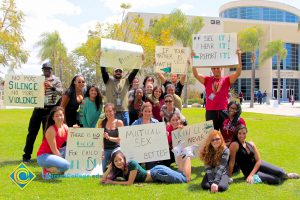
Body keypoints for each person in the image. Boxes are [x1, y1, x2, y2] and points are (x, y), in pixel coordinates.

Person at [229, 125, 299, 184]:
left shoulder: (251, 143)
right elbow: (232, 162)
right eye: (239, 133)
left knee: (281, 172)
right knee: (276, 180)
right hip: (249, 172)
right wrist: (229, 176)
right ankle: (281, 177)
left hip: (259, 165)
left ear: (246, 133)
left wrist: (251, 174)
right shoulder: (234, 145)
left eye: (244, 133)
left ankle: (287, 175)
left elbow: (259, 160)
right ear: (236, 133)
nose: (242, 136)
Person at [23, 62, 63, 163]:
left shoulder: (56, 80)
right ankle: (26, 155)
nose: (47, 71)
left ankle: (44, 155)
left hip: (49, 110)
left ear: (51, 70)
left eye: (48, 69)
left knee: (47, 134)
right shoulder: (37, 80)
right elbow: (27, 89)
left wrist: (51, 86)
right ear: (43, 70)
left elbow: (61, 92)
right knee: (32, 132)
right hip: (38, 109)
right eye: (45, 69)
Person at [192, 49, 242, 131]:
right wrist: (193, 59)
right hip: (210, 112)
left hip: (224, 111)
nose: (216, 70)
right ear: (211, 69)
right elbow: (196, 74)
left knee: (225, 134)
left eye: (218, 68)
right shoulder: (207, 80)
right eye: (214, 68)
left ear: (221, 68)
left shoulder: (226, 80)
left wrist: (239, 57)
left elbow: (238, 73)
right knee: (211, 136)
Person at [101, 147, 193, 185]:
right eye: (115, 161)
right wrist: (109, 168)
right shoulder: (119, 170)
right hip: (157, 175)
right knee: (181, 173)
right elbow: (102, 180)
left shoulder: (132, 164)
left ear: (124, 159)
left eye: (120, 159)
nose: (119, 162)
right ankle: (179, 152)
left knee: (186, 179)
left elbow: (129, 183)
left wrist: (112, 182)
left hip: (158, 173)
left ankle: (188, 153)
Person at [101, 58, 142, 126]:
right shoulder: (108, 80)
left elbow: (134, 72)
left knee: (125, 133)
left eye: (120, 71)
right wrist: (102, 57)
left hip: (124, 113)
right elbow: (103, 71)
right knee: (113, 132)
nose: (118, 72)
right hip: (112, 113)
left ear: (122, 73)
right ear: (113, 72)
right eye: (116, 71)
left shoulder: (126, 81)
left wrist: (139, 60)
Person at [36, 106, 70, 179]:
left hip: (54, 153)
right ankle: (46, 169)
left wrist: (75, 130)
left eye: (61, 115)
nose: (59, 117)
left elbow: (70, 144)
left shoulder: (65, 127)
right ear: (53, 118)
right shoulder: (51, 130)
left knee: (71, 150)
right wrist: (63, 160)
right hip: (43, 156)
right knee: (66, 166)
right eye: (56, 116)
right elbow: (54, 150)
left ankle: (53, 168)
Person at [131, 102, 160, 169]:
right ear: (142, 111)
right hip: (139, 151)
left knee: (151, 170)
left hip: (151, 151)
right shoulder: (136, 123)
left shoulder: (156, 122)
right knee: (134, 168)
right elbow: (130, 137)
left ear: (151, 112)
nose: (147, 113)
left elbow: (159, 138)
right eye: (145, 111)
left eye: (149, 111)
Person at [98, 103, 124, 171]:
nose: (108, 113)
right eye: (106, 111)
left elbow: (120, 139)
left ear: (114, 111)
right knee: (100, 170)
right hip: (105, 149)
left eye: (110, 111)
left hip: (116, 148)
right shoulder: (101, 123)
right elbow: (99, 139)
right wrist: (102, 149)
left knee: (118, 165)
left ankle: (113, 169)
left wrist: (109, 138)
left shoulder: (119, 122)